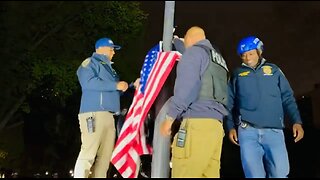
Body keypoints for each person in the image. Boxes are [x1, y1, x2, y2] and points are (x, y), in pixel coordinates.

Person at [225, 35, 304, 178]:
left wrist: (296, 121)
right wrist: (230, 126)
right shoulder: (237, 74)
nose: (247, 58)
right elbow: (229, 102)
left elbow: (287, 97)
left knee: (280, 174)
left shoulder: (274, 70)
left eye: (250, 53)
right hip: (247, 132)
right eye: (243, 55)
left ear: (259, 52)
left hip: (274, 132)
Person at [160, 26, 229, 178]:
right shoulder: (218, 59)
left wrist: (169, 118)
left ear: (189, 39)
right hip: (216, 128)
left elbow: (187, 88)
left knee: (184, 171)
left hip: (197, 125)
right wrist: (178, 41)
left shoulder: (193, 53)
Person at [74, 37, 138, 178]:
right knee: (88, 153)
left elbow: (114, 93)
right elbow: (88, 83)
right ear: (101, 49)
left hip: (109, 116)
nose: (113, 52)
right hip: (93, 113)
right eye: (111, 49)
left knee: (105, 157)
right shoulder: (90, 63)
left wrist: (131, 86)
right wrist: (115, 85)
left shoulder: (111, 71)